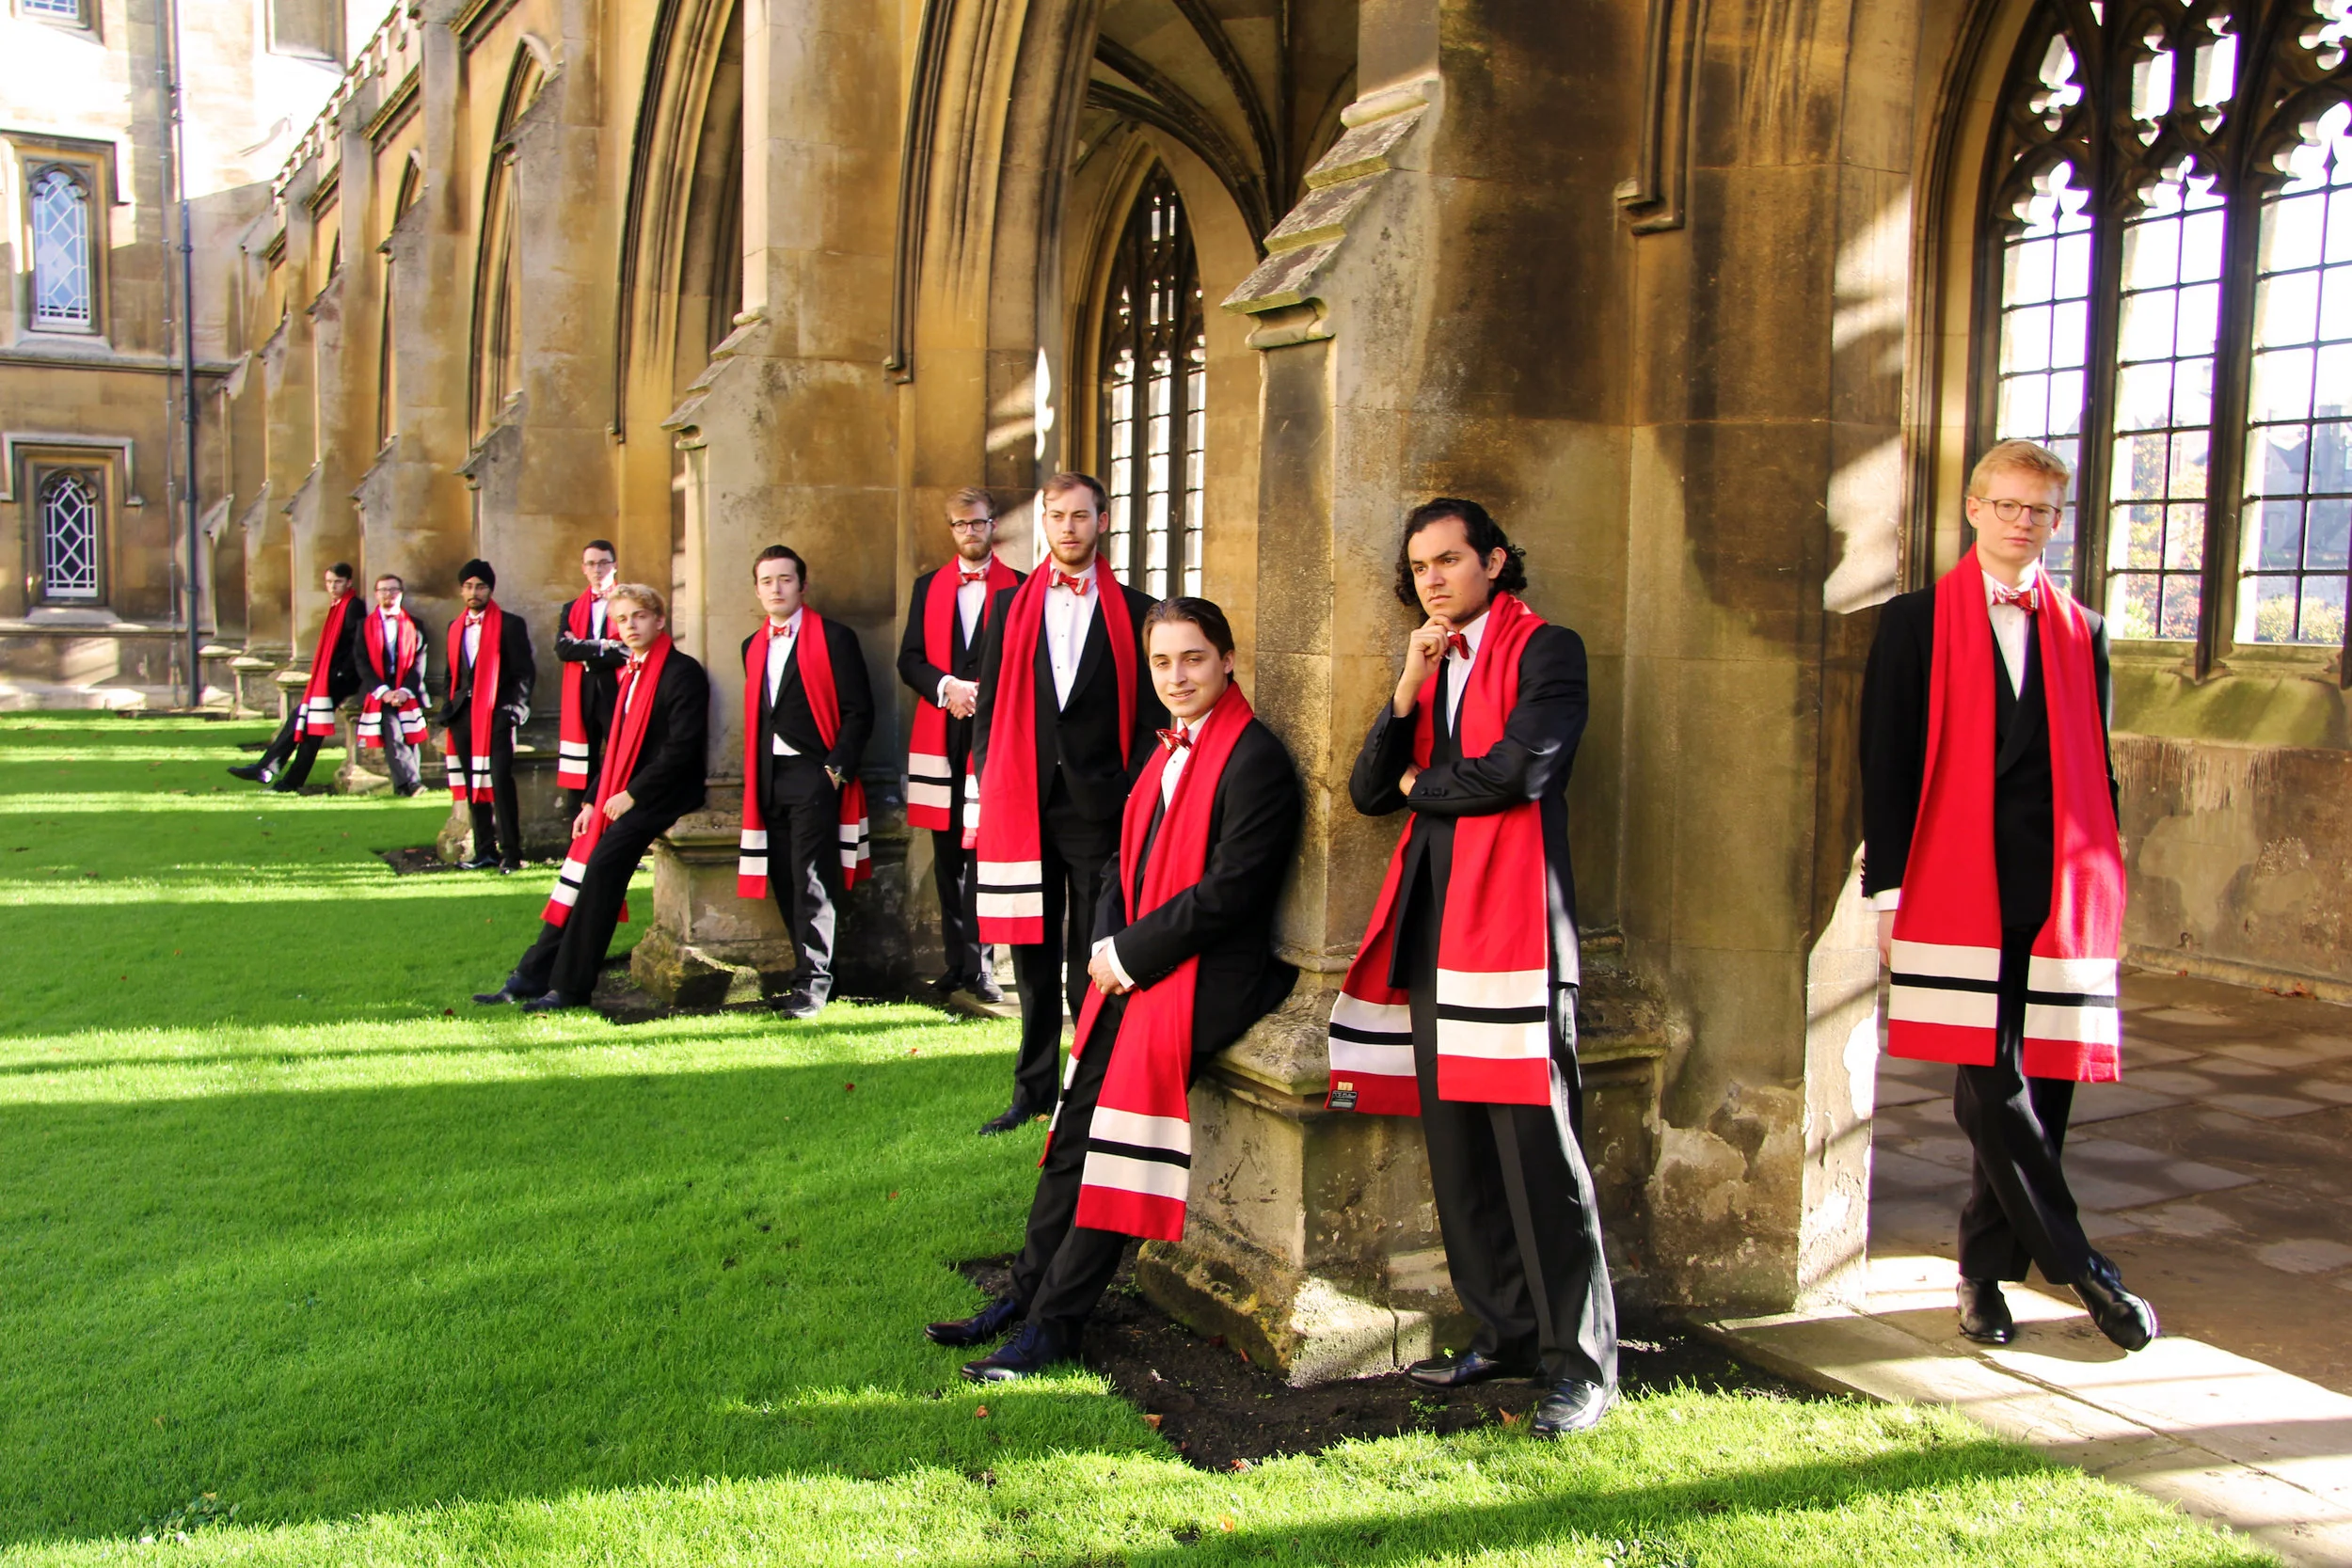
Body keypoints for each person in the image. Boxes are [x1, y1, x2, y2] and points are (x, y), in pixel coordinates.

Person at [930, 597, 1300, 1379]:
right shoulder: (1163, 747)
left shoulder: (1254, 757)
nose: (1176, 676)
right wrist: (1107, 939)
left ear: (1227, 659)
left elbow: (1231, 891)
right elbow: (1115, 863)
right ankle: (1025, 1295)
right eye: (1162, 662)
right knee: (1070, 1134)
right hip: (1136, 964)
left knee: (1115, 1139)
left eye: (1193, 658)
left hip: (1208, 975)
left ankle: (1058, 1323)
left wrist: (1128, 954)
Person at [1325, 498, 1617, 1439]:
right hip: (1433, 934)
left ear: (1494, 559)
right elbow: (1369, 789)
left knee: (1541, 1159)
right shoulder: (1434, 661)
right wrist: (1406, 688)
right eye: (1420, 567)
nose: (1435, 578)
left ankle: (1583, 1365)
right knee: (1459, 1155)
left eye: (1451, 559)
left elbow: (1518, 771)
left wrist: (1424, 785)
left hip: (1517, 935)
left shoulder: (1547, 649)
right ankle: (1504, 1332)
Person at [1861, 438, 2154, 1354]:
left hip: (2057, 886)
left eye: (2041, 509)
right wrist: (1887, 894)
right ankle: (2083, 1267)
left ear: (2056, 522)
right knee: (1989, 1089)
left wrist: (2102, 889)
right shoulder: (1912, 621)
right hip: (1950, 885)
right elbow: (1888, 761)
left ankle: (1983, 1271)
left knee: (2050, 1083)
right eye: (2009, 503)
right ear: (1973, 508)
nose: (2022, 520)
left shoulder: (2083, 629)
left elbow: (2094, 772)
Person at [969, 472, 1165, 1135]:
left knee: (1091, 954)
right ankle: (1032, 1091)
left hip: (1100, 806)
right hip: (1023, 802)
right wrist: (989, 776)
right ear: (1044, 523)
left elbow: (1150, 717)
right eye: (1056, 516)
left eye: (1081, 516)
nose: (1068, 528)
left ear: (1102, 520)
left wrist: (1129, 788)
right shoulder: (1007, 608)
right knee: (1030, 957)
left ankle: (1090, 1085)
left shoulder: (1139, 610)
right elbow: (989, 707)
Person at [473, 583, 708, 1012]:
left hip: (663, 792)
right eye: (621, 619)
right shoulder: (628, 673)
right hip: (622, 790)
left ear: (659, 620)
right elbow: (615, 746)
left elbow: (681, 749)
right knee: (578, 871)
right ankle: (530, 975)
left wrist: (630, 796)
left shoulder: (682, 672)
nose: (630, 625)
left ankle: (570, 988)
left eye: (638, 616)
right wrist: (590, 801)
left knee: (599, 870)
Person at [736, 546, 873, 1020]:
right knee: (784, 878)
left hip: (816, 776)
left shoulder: (835, 638)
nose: (776, 588)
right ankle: (805, 971)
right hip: (767, 779)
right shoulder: (750, 647)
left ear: (802, 585)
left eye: (785, 579)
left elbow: (859, 712)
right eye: (767, 581)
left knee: (813, 881)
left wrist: (834, 772)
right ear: (757, 589)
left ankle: (813, 985)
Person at [898, 487, 1021, 1003]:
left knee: (988, 850)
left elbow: (1030, 661)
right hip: (941, 732)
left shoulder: (1021, 585)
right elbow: (910, 659)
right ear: (950, 530)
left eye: (977, 523)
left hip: (995, 735)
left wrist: (983, 695)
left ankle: (986, 966)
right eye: (959, 525)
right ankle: (958, 962)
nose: (969, 532)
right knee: (948, 855)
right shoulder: (929, 587)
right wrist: (948, 687)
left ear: (993, 525)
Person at [437, 559, 536, 873]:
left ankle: (511, 854)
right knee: (472, 785)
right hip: (463, 717)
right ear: (461, 589)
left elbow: (524, 672)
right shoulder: (455, 627)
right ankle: (484, 852)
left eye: (480, 586)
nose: (473, 592)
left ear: (490, 589)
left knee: (500, 783)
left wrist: (515, 711)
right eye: (468, 586)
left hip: (497, 714)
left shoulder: (510, 624)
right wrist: (448, 708)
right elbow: (451, 673)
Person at [231, 563, 361, 792]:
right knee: (306, 724)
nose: (332, 587)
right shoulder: (339, 605)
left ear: (349, 582)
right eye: (329, 582)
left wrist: (342, 672)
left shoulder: (353, 607)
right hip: (328, 677)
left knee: (306, 722)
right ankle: (276, 773)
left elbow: (357, 644)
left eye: (338, 582)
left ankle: (273, 771)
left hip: (340, 679)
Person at [554, 539, 628, 812]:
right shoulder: (571, 608)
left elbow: (628, 650)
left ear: (615, 565)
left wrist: (584, 649)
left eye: (603, 563)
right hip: (580, 693)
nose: (597, 569)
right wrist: (603, 645)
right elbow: (563, 649)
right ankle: (579, 840)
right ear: (583, 568)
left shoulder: (627, 603)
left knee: (620, 759)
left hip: (616, 690)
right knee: (581, 763)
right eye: (591, 564)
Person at [351, 573, 431, 797]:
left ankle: (403, 786)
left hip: (409, 692)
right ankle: (414, 784)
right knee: (394, 736)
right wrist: (384, 692)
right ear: (376, 595)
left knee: (410, 736)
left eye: (393, 590)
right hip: (380, 694)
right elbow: (361, 662)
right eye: (383, 590)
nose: (389, 594)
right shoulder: (364, 626)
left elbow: (419, 661)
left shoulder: (416, 625)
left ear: (401, 593)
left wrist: (405, 691)